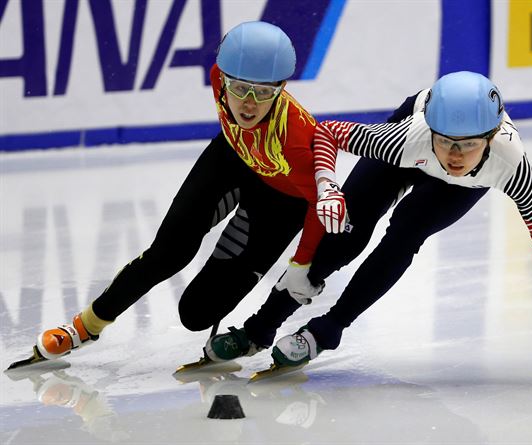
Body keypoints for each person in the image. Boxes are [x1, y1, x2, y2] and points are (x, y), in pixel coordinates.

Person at [212, 71, 532, 387]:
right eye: (446, 142)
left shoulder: (510, 166)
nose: (453, 155)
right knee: (344, 235)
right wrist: (328, 186)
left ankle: (327, 331)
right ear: (431, 129)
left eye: (467, 145)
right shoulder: (406, 138)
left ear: (492, 138)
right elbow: (326, 133)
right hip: (411, 147)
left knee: (406, 235)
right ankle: (258, 329)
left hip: (454, 185)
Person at [18, 21, 333, 368]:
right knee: (167, 252)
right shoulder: (217, 78)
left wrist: (301, 263)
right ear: (223, 78)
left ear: (280, 88)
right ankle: (85, 326)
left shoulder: (299, 141)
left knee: (196, 313)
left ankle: (254, 334)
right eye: (239, 88)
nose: (248, 103)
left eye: (262, 92)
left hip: (281, 200)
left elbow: (321, 202)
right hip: (233, 158)